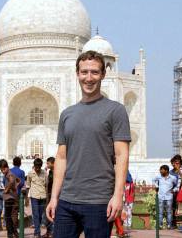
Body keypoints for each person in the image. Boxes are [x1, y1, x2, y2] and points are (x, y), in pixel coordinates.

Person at [46, 51, 131, 238]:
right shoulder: (67, 114)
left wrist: (118, 196)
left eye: (94, 72)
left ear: (103, 74)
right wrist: (54, 197)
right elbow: (61, 157)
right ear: (77, 74)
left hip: (99, 201)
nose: (89, 78)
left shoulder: (115, 111)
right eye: (84, 72)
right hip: (67, 201)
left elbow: (121, 155)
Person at [27, 158, 47, 238]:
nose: (38, 169)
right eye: (36, 167)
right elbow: (28, 185)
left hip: (43, 196)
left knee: (40, 215)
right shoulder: (30, 173)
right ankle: (37, 233)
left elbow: (46, 185)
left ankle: (37, 230)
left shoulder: (44, 173)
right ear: (34, 166)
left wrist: (48, 198)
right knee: (35, 215)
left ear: (41, 166)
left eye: (39, 167)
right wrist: (26, 198)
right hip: (34, 196)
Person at [153, 165, 177, 229]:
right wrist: (156, 186)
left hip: (169, 197)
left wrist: (174, 190)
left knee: (169, 212)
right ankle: (160, 225)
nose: (160, 171)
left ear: (166, 171)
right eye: (160, 170)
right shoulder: (159, 177)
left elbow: (177, 185)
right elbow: (153, 180)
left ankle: (169, 225)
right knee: (160, 212)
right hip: (161, 196)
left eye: (162, 170)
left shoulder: (173, 178)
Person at [0, 159, 20, 238]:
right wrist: (15, 187)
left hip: (9, 198)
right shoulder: (11, 173)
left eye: (4, 169)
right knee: (14, 215)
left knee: (7, 216)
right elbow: (18, 180)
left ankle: (10, 233)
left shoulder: (9, 174)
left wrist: (7, 189)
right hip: (14, 197)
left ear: (7, 167)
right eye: (1, 170)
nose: (3, 171)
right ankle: (15, 232)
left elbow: (12, 181)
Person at [43, 157, 55, 238]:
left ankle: (53, 232)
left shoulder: (57, 171)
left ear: (53, 163)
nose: (47, 165)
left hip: (55, 195)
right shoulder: (49, 171)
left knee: (54, 213)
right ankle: (48, 231)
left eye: (48, 163)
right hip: (49, 194)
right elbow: (47, 183)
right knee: (47, 213)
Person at [169, 154, 182, 228]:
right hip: (173, 193)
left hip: (181, 192)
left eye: (177, 163)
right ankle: (173, 223)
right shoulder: (171, 172)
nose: (176, 164)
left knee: (180, 208)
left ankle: (180, 223)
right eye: (174, 163)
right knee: (173, 208)